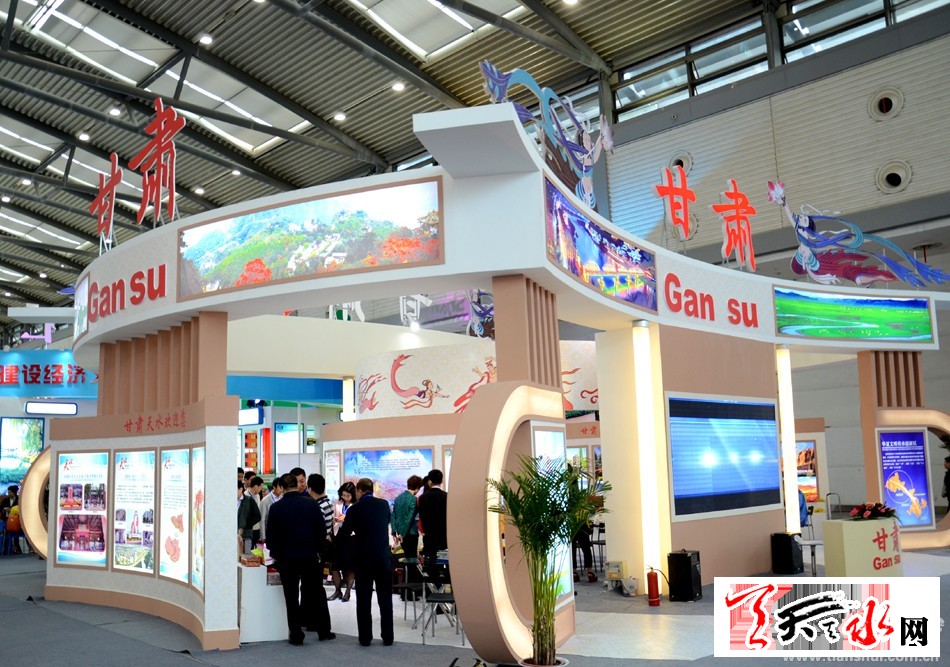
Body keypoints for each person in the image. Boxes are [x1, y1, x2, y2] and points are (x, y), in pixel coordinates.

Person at [266, 473, 334, 646]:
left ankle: (296, 634)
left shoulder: (276, 508)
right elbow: (321, 531)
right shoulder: (311, 504)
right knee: (315, 592)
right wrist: (319, 552)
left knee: (291, 596)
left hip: (287, 559)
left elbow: (271, 537)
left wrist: (276, 554)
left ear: (282, 488)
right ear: (297, 485)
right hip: (310, 556)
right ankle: (323, 631)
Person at [338, 477, 394, 647]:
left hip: (363, 559)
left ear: (360, 491)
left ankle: (365, 637)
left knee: (363, 599)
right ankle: (388, 637)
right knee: (385, 599)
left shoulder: (355, 509)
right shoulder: (384, 505)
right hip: (383, 557)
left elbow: (345, 533)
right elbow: (385, 522)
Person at [328, 482, 356, 601]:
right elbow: (332, 518)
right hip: (337, 536)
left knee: (349, 567)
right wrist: (335, 520)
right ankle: (337, 591)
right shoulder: (338, 503)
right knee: (334, 566)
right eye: (343, 495)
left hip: (350, 538)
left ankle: (348, 592)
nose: (345, 498)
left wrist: (345, 520)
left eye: (348, 496)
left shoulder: (356, 505)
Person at [417, 469, 447, 563]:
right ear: (442, 481)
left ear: (429, 481)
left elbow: (422, 516)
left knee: (430, 564)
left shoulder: (422, 498)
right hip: (443, 536)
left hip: (429, 537)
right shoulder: (447, 496)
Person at [392, 475, 422, 560]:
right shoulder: (413, 499)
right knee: (412, 560)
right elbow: (410, 518)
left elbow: (393, 515)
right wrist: (403, 534)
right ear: (417, 487)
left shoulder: (398, 498)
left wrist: (394, 532)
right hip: (411, 533)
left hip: (399, 533)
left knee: (406, 557)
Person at [238, 476, 263, 545]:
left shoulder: (257, 496)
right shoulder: (245, 495)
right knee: (246, 548)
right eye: (260, 487)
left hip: (256, 528)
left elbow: (258, 514)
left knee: (252, 548)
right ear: (256, 486)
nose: (261, 489)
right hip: (246, 529)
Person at [260, 476, 283, 543]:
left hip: (282, 532)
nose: (281, 489)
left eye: (282, 487)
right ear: (274, 487)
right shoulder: (265, 500)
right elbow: (262, 519)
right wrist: (263, 536)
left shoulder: (283, 498)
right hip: (270, 532)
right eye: (280, 487)